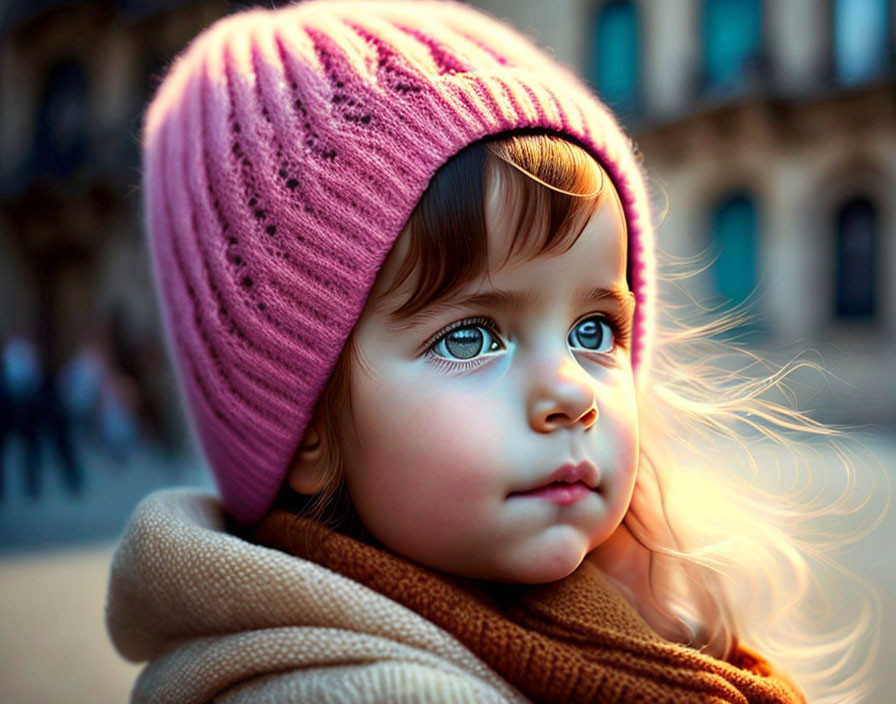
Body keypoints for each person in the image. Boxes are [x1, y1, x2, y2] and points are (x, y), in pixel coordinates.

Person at [105, 2, 880, 702]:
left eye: (594, 330)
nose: (571, 392)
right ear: (308, 426)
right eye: (470, 337)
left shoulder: (618, 621)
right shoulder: (380, 692)